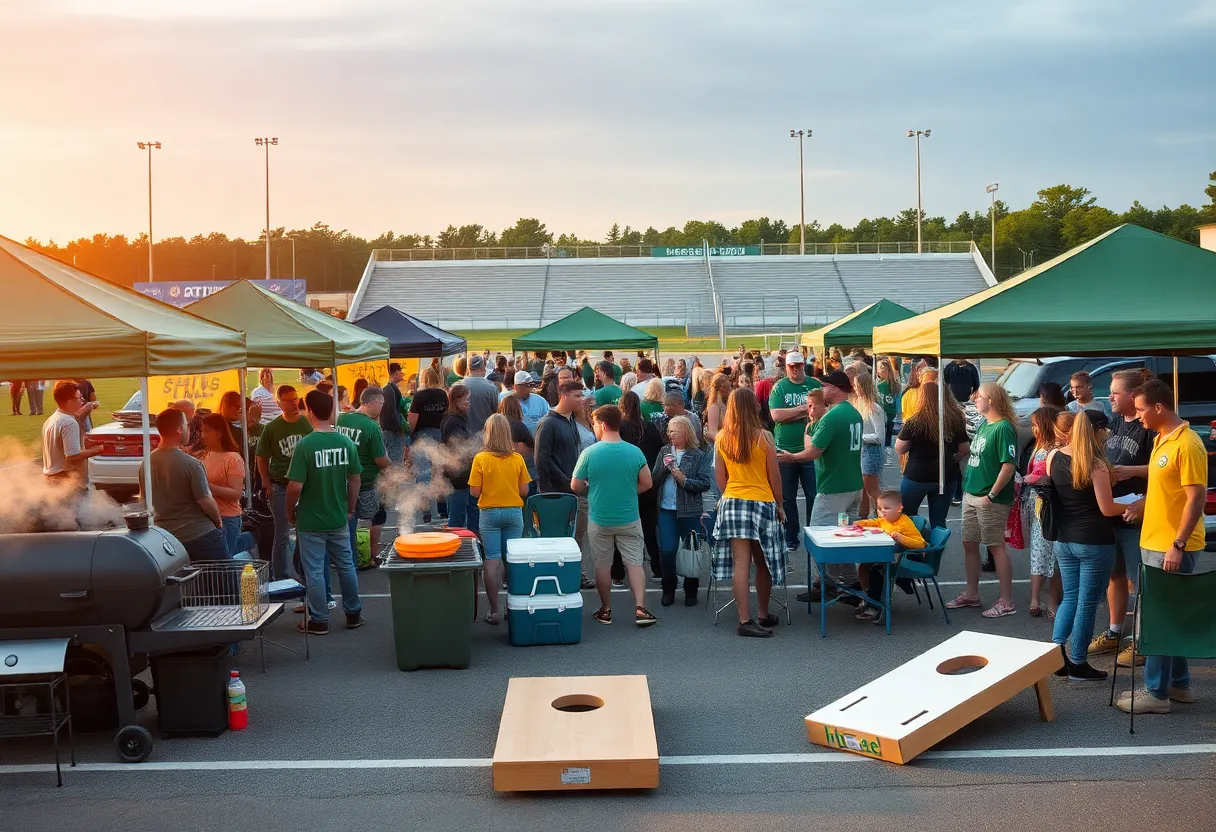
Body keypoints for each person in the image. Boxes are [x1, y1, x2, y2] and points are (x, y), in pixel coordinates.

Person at [1116, 379, 1207, 714]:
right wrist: (1144, 503)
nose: (1137, 416)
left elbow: (1195, 497)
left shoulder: (1188, 443)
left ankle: (1156, 692)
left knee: (1158, 620)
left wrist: (1178, 543)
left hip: (1171, 545)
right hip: (1154, 541)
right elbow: (1164, 485)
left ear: (1159, 407)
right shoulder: (1161, 439)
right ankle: (1179, 685)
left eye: (1140, 409)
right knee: (1171, 615)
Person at [1044, 409, 1125, 681]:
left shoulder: (1054, 456)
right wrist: (1139, 504)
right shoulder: (1095, 464)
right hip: (1093, 540)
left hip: (1064, 539)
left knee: (1070, 597)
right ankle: (1078, 661)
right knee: (1087, 603)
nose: (1108, 435)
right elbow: (1108, 508)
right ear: (1097, 431)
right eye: (1106, 430)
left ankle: (1056, 656)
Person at [1089, 369, 1155, 666]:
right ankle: (1116, 630)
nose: (1110, 397)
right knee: (1114, 575)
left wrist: (1131, 472)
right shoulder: (1114, 424)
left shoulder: (1149, 427)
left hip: (1137, 513)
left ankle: (1143, 640)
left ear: (1133, 395)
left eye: (1115, 392)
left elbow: (1165, 470)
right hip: (1111, 512)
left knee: (1139, 579)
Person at [572, 404, 658, 627]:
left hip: (600, 517)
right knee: (635, 563)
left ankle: (606, 609)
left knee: (602, 564)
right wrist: (630, 490)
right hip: (629, 516)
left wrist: (590, 489)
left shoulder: (589, 453)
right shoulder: (634, 452)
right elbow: (647, 483)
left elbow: (575, 485)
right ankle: (640, 608)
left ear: (602, 424)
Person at [286, 390, 364, 635]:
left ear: (309, 411)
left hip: (311, 519)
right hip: (338, 515)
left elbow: (295, 486)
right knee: (346, 565)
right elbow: (355, 479)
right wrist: (350, 507)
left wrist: (290, 511)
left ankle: (319, 620)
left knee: (315, 569)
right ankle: (353, 613)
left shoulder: (306, 445)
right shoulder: (345, 442)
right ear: (331, 410)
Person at [780, 370, 863, 596]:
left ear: (835, 388)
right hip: (852, 483)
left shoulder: (833, 416)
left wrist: (791, 457)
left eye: (825, 386)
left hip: (834, 486)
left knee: (819, 537)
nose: (822, 390)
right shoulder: (853, 413)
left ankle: (829, 584)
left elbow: (813, 451)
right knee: (842, 538)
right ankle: (848, 582)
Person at [711, 388, 785, 638]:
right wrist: (781, 504)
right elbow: (774, 476)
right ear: (752, 407)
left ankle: (745, 619)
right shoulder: (764, 436)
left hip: (733, 501)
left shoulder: (722, 437)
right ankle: (762, 613)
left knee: (741, 563)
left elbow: (719, 477)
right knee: (762, 562)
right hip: (761, 502)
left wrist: (729, 494)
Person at [947, 382, 1020, 618]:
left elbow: (1008, 464)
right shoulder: (983, 425)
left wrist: (993, 494)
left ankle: (1007, 601)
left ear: (991, 400)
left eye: (978, 397)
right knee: (969, 543)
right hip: (972, 493)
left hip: (990, 497)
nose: (975, 401)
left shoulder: (1003, 428)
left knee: (995, 545)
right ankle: (971, 593)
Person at [140, 408, 227, 561]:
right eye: (186, 425)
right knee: (223, 580)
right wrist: (218, 523)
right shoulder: (191, 464)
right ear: (179, 429)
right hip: (199, 535)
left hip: (165, 539)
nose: (188, 429)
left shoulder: (146, 463)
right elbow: (206, 501)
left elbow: (144, 500)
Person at [469, 414, 532, 625]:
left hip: (489, 513)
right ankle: (511, 607)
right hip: (514, 512)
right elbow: (524, 490)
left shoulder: (480, 459)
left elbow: (474, 492)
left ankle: (494, 610)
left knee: (492, 559)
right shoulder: (517, 459)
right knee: (511, 560)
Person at [651, 415, 712, 608]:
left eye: (674, 431)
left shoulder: (699, 455)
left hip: (690, 512)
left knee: (691, 551)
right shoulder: (663, 451)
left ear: (686, 433)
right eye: (669, 431)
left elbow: (704, 483)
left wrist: (682, 478)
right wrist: (664, 468)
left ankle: (691, 589)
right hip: (666, 510)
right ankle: (668, 588)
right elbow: (653, 480)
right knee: (667, 550)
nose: (670, 435)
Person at [255, 385, 313, 580]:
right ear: (280, 402)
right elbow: (261, 456)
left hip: (305, 486)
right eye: (289, 400)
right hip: (280, 485)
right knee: (281, 535)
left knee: (303, 531)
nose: (294, 403)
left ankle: (302, 571)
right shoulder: (272, 428)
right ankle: (281, 579)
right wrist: (266, 483)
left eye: (296, 398)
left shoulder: (306, 424)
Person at [768, 350, 822, 553]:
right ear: (786, 367)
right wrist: (802, 410)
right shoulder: (780, 387)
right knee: (787, 497)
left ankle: (813, 533)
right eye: (791, 367)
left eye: (798, 365)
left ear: (803, 365)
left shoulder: (814, 384)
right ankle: (791, 536)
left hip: (810, 449)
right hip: (785, 449)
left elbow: (821, 411)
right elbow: (776, 415)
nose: (795, 370)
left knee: (813, 495)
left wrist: (793, 414)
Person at [896, 381, 969, 531]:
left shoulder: (916, 421)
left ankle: (914, 551)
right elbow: (964, 448)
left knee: (907, 517)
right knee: (939, 521)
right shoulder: (955, 419)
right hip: (945, 475)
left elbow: (900, 448)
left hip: (917, 475)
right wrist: (953, 458)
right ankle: (934, 553)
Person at [336, 386, 390, 566]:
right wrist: (396, 469)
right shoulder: (371, 427)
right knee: (367, 518)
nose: (382, 407)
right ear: (373, 402)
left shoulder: (342, 418)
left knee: (346, 523)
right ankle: (359, 559)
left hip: (340, 479)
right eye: (381, 403)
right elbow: (381, 460)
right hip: (365, 482)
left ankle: (349, 559)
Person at [854, 490, 927, 621]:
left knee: (876, 571)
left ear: (899, 509)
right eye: (879, 508)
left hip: (909, 558)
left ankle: (874, 607)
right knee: (864, 565)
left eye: (886, 508)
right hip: (894, 556)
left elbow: (920, 544)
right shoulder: (885, 520)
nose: (882, 512)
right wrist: (859, 523)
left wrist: (901, 537)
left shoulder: (904, 523)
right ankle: (867, 596)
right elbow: (876, 522)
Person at [1021, 406, 1063, 618]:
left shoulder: (1056, 449)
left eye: (1036, 425)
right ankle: (1035, 599)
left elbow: (1053, 477)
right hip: (1038, 506)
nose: (1033, 429)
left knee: (1054, 556)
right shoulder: (1038, 447)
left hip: (1053, 507)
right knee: (1038, 552)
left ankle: (1052, 602)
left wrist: (1036, 479)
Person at [620, 391, 664, 581]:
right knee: (649, 528)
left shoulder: (620, 428)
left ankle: (619, 573)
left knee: (620, 528)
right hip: (648, 483)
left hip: (626, 483)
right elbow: (660, 450)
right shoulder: (650, 427)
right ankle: (657, 568)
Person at [197, 413, 253, 558]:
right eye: (202, 430)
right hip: (207, 518)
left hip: (228, 518)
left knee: (226, 558)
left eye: (207, 430)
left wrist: (208, 487)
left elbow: (236, 493)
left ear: (219, 433)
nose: (203, 435)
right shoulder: (205, 456)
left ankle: (251, 539)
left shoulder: (233, 458)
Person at [41, 380, 101, 487]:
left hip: (50, 479)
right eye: (79, 398)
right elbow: (73, 456)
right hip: (65, 480)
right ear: (69, 401)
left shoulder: (51, 419)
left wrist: (82, 416)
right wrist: (100, 449)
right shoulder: (69, 422)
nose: (82, 400)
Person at [441, 384, 478, 532]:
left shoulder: (456, 418)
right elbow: (458, 449)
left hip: (459, 477)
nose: (469, 402)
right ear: (456, 400)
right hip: (459, 478)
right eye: (466, 399)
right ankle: (457, 549)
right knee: (457, 520)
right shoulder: (454, 421)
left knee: (463, 515)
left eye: (470, 399)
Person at [852, 372, 885, 520]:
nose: (855, 388)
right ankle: (863, 518)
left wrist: (860, 437)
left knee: (872, 489)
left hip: (871, 452)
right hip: (862, 451)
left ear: (864, 387)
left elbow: (879, 436)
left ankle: (886, 515)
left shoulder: (874, 408)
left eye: (857, 385)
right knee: (863, 490)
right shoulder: (858, 405)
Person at [498, 395, 537, 496]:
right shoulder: (518, 425)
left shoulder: (500, 425)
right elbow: (520, 449)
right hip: (526, 471)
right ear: (517, 408)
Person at [461, 354, 500, 434]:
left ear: (469, 368)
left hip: (464, 438)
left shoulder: (457, 386)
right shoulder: (491, 388)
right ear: (483, 368)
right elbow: (498, 413)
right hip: (486, 436)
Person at [380, 363, 408, 466]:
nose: (402, 375)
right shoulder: (389, 389)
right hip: (392, 430)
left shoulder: (388, 388)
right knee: (395, 460)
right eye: (401, 372)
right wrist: (398, 429)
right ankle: (394, 481)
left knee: (392, 457)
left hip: (389, 429)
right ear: (396, 372)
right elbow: (390, 412)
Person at [875, 358, 900, 448]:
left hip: (883, 414)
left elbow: (879, 400)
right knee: (888, 439)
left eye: (877, 368)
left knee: (882, 437)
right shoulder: (894, 382)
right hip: (892, 414)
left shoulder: (880, 385)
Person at [704, 372, 732, 447]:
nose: (731, 390)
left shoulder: (727, 404)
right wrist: (727, 444)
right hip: (721, 446)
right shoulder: (714, 407)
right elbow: (712, 433)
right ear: (721, 389)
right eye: (728, 388)